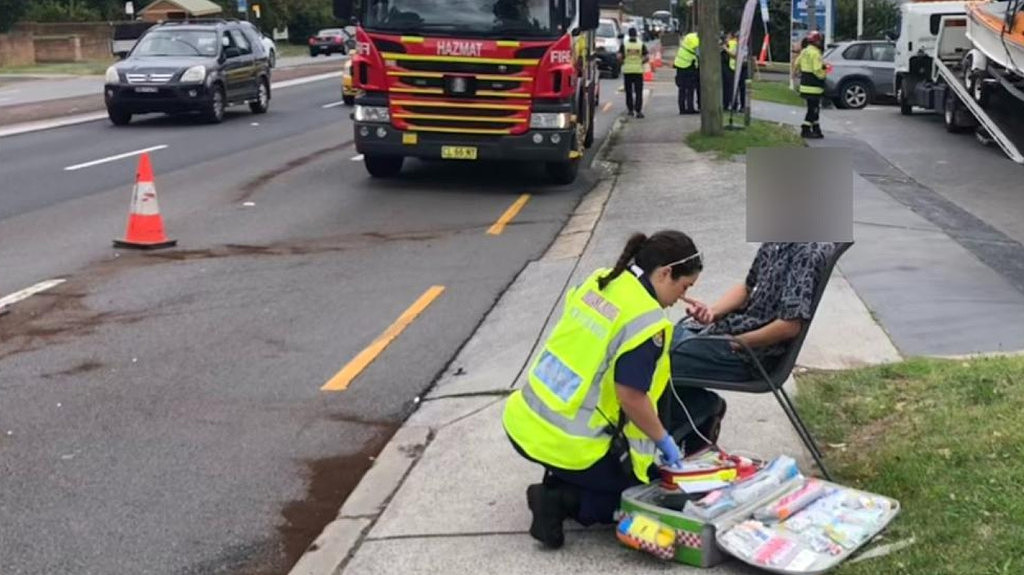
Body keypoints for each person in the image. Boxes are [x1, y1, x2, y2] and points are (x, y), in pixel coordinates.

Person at [503, 230, 710, 549]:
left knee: (615, 468)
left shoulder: (600, 280)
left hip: (526, 422)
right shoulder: (647, 323)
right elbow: (631, 396)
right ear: (665, 272)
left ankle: (562, 475)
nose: (682, 297)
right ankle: (559, 500)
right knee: (638, 493)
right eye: (684, 287)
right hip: (572, 443)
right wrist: (663, 441)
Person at [669, 242, 838, 384]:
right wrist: (712, 312)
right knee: (658, 343)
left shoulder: (808, 253)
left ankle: (699, 413)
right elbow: (747, 287)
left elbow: (789, 326)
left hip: (751, 356)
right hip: (725, 334)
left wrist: (737, 343)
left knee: (659, 359)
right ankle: (704, 409)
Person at [796, 31, 826, 139]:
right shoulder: (816, 53)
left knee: (813, 108)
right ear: (817, 41)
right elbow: (817, 69)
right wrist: (824, 74)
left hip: (804, 84)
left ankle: (816, 129)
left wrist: (801, 72)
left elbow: (797, 64)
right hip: (814, 86)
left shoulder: (804, 51)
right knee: (813, 109)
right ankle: (805, 129)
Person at [618, 27, 649, 118]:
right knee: (638, 91)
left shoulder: (624, 44)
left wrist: (623, 62)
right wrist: (640, 62)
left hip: (627, 71)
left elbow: (619, 57)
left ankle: (630, 110)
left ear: (629, 34)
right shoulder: (641, 45)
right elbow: (646, 57)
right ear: (636, 34)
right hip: (638, 71)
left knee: (628, 91)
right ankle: (638, 111)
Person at [675, 31, 700, 114]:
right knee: (690, 88)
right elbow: (699, 54)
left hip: (679, 63)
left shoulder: (690, 35)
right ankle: (690, 108)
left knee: (681, 88)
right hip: (688, 65)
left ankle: (682, 109)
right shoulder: (696, 41)